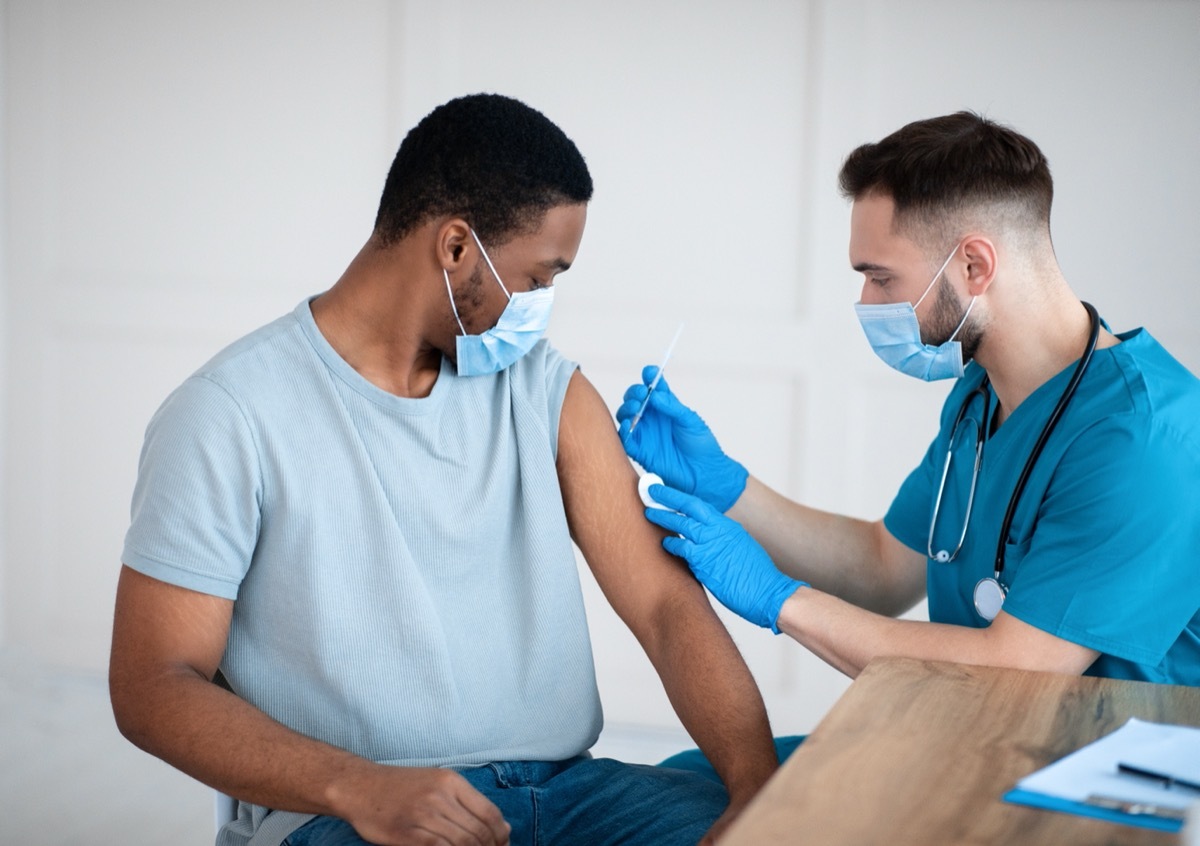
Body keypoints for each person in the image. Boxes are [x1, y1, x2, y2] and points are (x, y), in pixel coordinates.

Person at [109, 93, 779, 846]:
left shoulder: (547, 392)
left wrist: (756, 795)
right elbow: (153, 686)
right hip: (351, 812)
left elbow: (665, 612)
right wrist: (357, 786)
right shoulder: (227, 413)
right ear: (457, 247)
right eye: (537, 279)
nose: (543, 306)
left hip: (567, 792)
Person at [618, 111, 1200, 714]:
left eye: (881, 278)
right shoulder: (980, 394)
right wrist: (726, 485)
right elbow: (882, 568)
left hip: (1093, 781)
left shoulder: (1145, 440)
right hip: (971, 740)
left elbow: (1021, 667)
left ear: (975, 266)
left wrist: (779, 600)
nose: (866, 303)